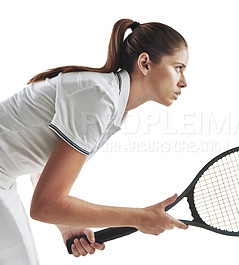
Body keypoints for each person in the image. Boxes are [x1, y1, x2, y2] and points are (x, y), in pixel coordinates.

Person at [0, 18, 189, 264]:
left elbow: (43, 171)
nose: (184, 82)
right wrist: (138, 217)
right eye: (178, 68)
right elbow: (45, 205)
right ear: (145, 63)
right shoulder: (100, 98)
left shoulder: (111, 100)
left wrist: (66, 224)